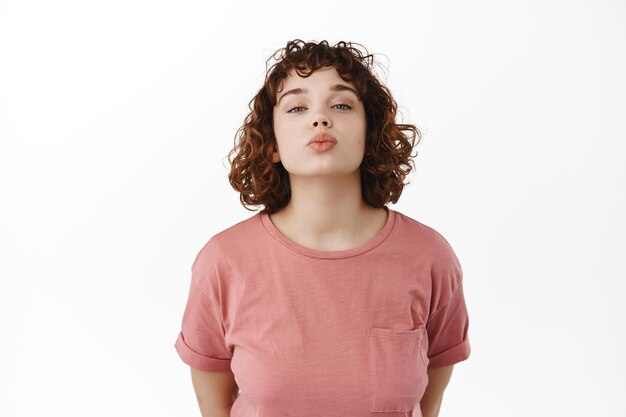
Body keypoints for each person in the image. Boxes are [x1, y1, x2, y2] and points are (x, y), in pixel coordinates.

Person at [174, 39, 471, 417]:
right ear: (273, 143)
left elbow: (428, 400)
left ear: (370, 130)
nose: (320, 118)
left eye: (342, 104)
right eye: (297, 107)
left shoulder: (429, 257)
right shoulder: (224, 262)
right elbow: (212, 403)